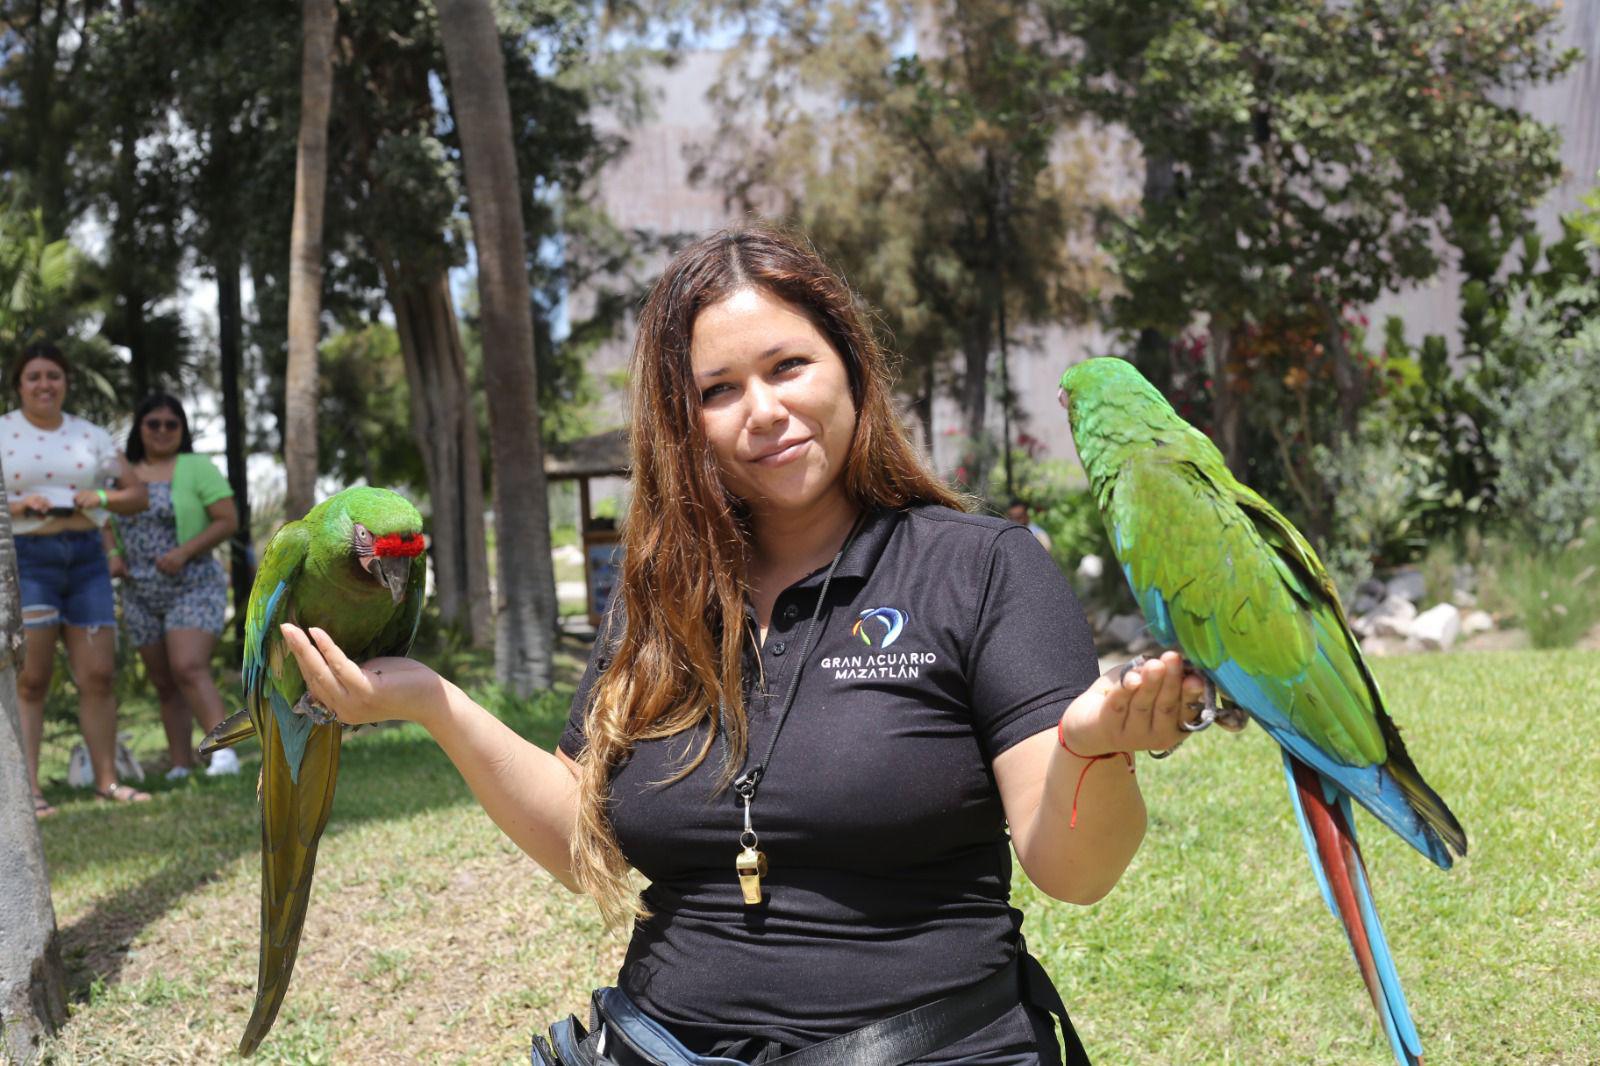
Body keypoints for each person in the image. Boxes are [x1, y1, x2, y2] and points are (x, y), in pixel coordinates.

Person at [279, 225, 1208, 1064]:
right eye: (718, 390)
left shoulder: (979, 567)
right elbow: (582, 837)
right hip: (659, 1043)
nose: (761, 410)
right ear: (684, 424)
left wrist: (1094, 750)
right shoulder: (658, 597)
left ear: (849, 367)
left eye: (789, 367)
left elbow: (1074, 871)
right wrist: (430, 700)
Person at [6, 341, 150, 816]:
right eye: (34, 376)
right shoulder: (4, 432)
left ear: (65, 382)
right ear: (19, 385)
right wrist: (21, 507)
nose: (45, 384)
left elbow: (136, 494)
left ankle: (107, 782)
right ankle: (28, 792)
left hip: (87, 558)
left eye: (54, 375)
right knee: (31, 678)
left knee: (99, 675)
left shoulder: (91, 436)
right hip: (28, 558)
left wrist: (101, 500)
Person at [113, 393, 241, 779]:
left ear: (182, 431)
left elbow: (227, 519)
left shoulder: (195, 467)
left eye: (172, 424)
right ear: (139, 428)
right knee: (164, 681)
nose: (163, 431)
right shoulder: (123, 471)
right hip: (139, 590)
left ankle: (224, 753)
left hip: (193, 582)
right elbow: (103, 518)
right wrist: (112, 557)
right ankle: (180, 764)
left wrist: (184, 552)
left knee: (188, 666)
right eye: (154, 423)